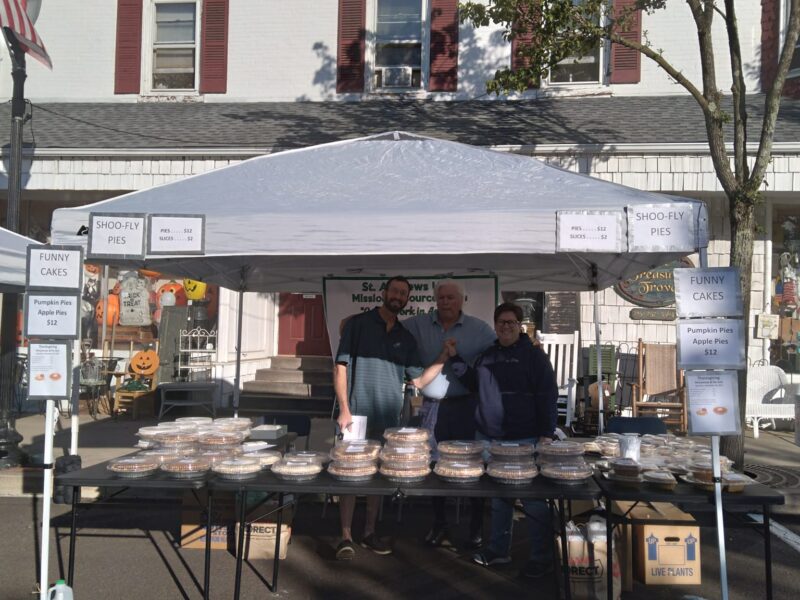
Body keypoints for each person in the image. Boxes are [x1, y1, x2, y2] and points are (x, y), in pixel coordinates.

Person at [334, 276, 454, 560]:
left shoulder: (405, 337)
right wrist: (344, 409)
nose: (398, 296)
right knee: (350, 476)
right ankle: (345, 536)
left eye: (404, 294)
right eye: (395, 291)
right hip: (355, 417)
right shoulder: (358, 325)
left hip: (388, 422)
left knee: (377, 476)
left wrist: (443, 356)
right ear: (384, 293)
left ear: (406, 300)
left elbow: (420, 381)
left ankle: (368, 533)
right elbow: (340, 368)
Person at [451, 302, 559, 579]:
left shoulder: (534, 357)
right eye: (501, 322)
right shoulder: (488, 355)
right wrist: (454, 360)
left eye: (511, 322)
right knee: (499, 499)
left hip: (525, 439)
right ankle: (499, 550)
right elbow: (475, 382)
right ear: (496, 325)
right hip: (489, 438)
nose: (506, 327)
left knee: (533, 500)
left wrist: (547, 433)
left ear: (520, 326)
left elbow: (548, 394)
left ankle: (542, 556)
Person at [404, 279, 495, 549]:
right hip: (432, 407)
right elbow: (390, 330)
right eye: (441, 297)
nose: (445, 302)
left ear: (462, 301)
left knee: (472, 466)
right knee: (435, 464)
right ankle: (439, 523)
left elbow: (499, 350)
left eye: (451, 298)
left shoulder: (479, 329)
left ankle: (476, 528)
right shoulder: (418, 324)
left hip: (468, 406)